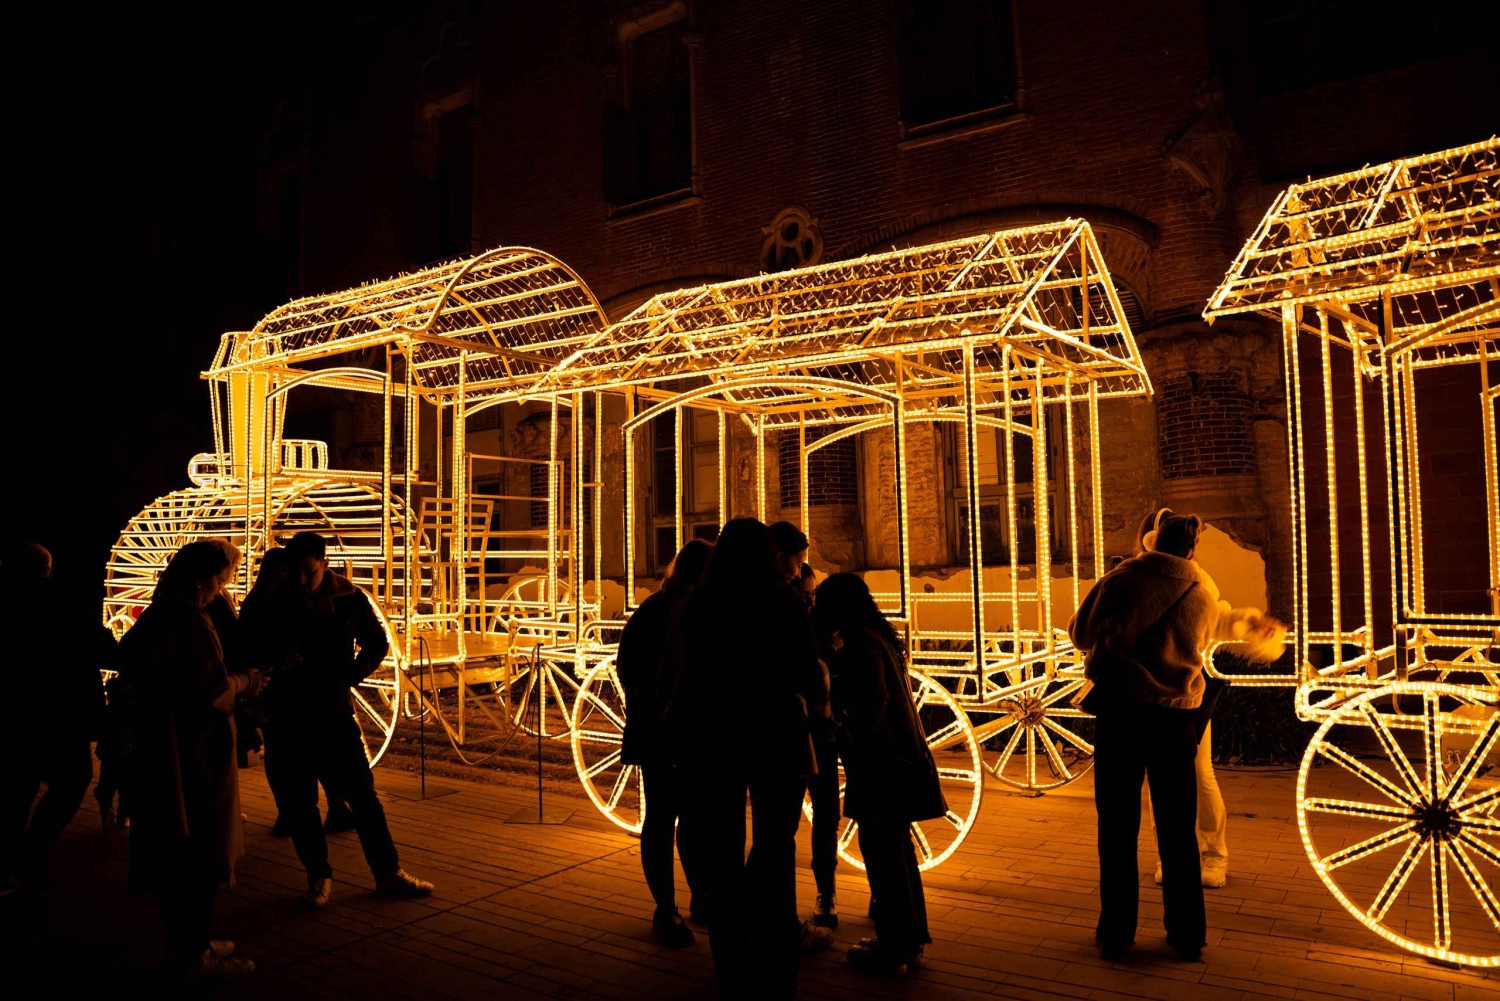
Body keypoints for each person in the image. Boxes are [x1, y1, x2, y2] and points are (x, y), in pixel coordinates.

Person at [1070, 507, 1284, 963]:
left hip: (1121, 714)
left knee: (1117, 826)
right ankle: (1187, 933)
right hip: (1176, 717)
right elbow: (1216, 627)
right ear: (1192, 547)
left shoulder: (1122, 579)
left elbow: (1080, 632)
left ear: (1150, 540)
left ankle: (1116, 932)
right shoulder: (1202, 587)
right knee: (1177, 829)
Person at [665, 518, 830, 999]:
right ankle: (778, 963)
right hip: (774, 733)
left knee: (722, 850)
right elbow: (805, 670)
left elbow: (686, 674)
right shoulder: (782, 602)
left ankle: (731, 965)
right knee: (776, 846)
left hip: (713, 736)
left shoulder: (698, 606)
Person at [261, 531, 432, 909]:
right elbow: (256, 646)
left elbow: (377, 642)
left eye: (309, 571)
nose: (302, 580)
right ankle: (319, 876)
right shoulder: (278, 599)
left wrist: (352, 674)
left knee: (363, 797)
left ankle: (387, 872)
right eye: (297, 572)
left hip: (331, 708)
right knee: (303, 802)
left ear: (324, 563)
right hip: (289, 711)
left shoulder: (349, 599)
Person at [116, 540, 263, 975]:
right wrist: (247, 681)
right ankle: (192, 950)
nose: (222, 590)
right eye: (220, 580)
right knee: (200, 848)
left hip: (162, 744)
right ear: (201, 579)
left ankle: (188, 939)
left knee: (177, 848)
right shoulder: (191, 623)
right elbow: (213, 696)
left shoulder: (157, 616)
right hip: (194, 752)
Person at [813, 573, 945, 975]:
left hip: (880, 765)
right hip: (901, 760)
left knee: (883, 854)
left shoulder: (860, 644)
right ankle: (910, 938)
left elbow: (872, 705)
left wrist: (838, 729)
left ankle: (894, 944)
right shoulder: (881, 637)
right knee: (898, 852)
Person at [617, 538, 712, 947]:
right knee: (668, 819)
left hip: (670, 729)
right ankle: (673, 906)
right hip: (669, 730)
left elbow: (627, 667)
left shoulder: (658, 609)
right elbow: (633, 670)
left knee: (674, 817)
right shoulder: (668, 611)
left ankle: (681, 903)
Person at [1, 543, 106, 892]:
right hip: (62, 713)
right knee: (74, 779)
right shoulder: (65, 604)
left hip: (15, 711)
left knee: (17, 786)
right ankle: (30, 855)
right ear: (48, 569)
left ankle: (10, 862)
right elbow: (104, 648)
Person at [238, 547, 355, 837]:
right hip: (278, 689)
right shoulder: (275, 601)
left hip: (283, 689)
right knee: (288, 753)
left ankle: (298, 812)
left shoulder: (262, 600)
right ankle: (306, 811)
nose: (297, 577)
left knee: (286, 753)